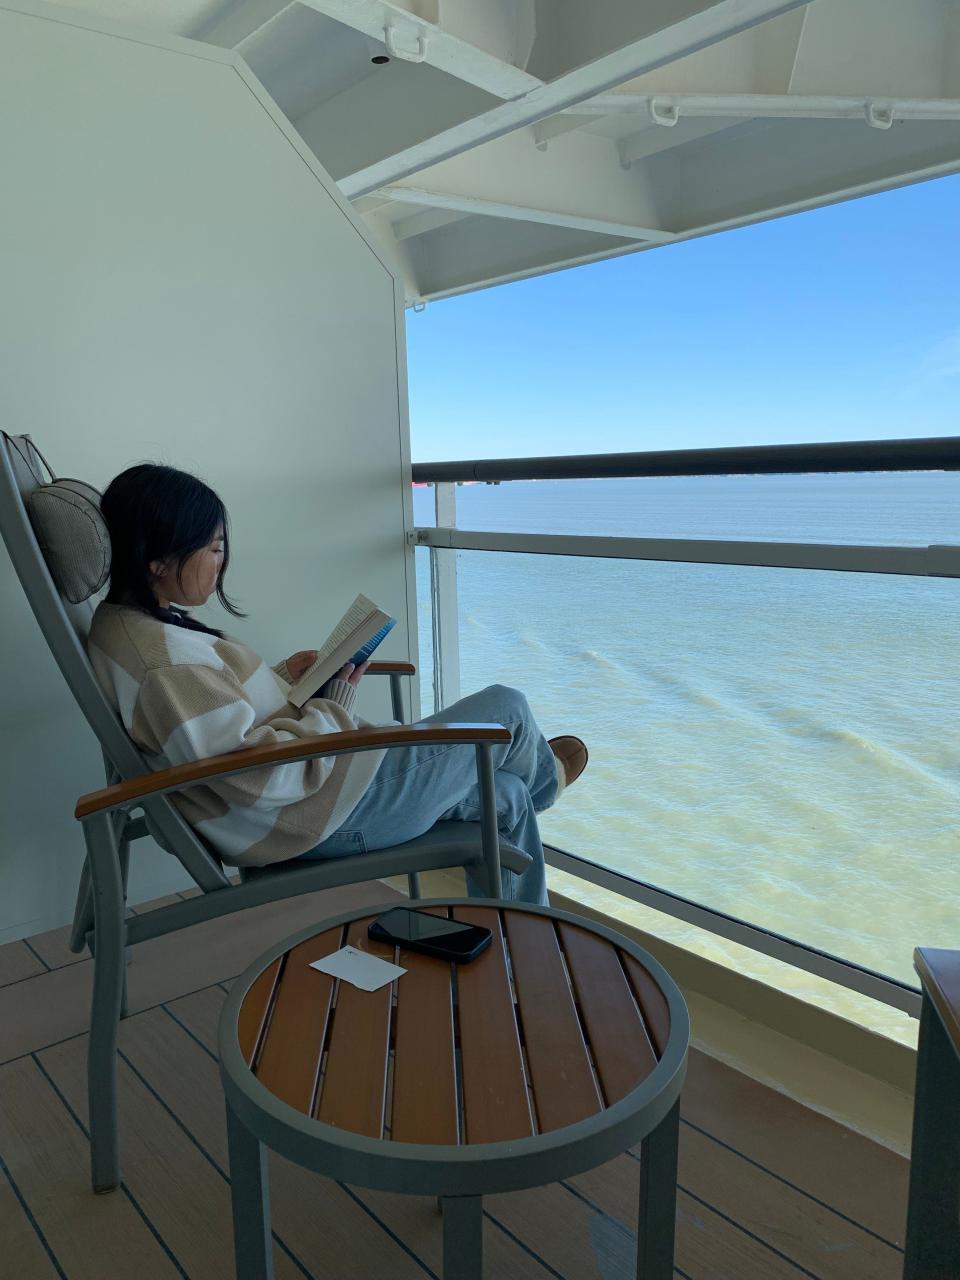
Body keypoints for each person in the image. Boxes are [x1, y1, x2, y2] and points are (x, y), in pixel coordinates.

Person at [88, 464, 588, 904]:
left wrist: (287, 680)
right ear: (155, 556)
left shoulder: (132, 626)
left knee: (505, 794)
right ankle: (549, 782)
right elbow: (256, 779)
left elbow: (216, 724)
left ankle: (519, 941)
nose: (221, 561)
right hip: (316, 817)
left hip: (322, 795)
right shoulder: (164, 663)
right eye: (213, 546)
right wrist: (332, 704)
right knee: (507, 707)